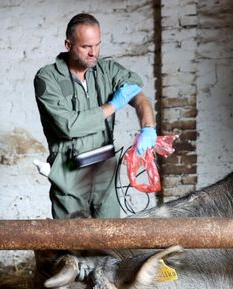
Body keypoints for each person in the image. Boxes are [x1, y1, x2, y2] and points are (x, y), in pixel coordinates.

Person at [34, 13, 158, 219]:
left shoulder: (107, 70)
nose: (93, 53)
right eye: (85, 47)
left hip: (104, 172)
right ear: (68, 44)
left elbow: (137, 94)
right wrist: (113, 105)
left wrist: (148, 127)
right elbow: (69, 126)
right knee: (73, 245)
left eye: (97, 45)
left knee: (109, 243)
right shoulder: (48, 78)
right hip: (69, 174)